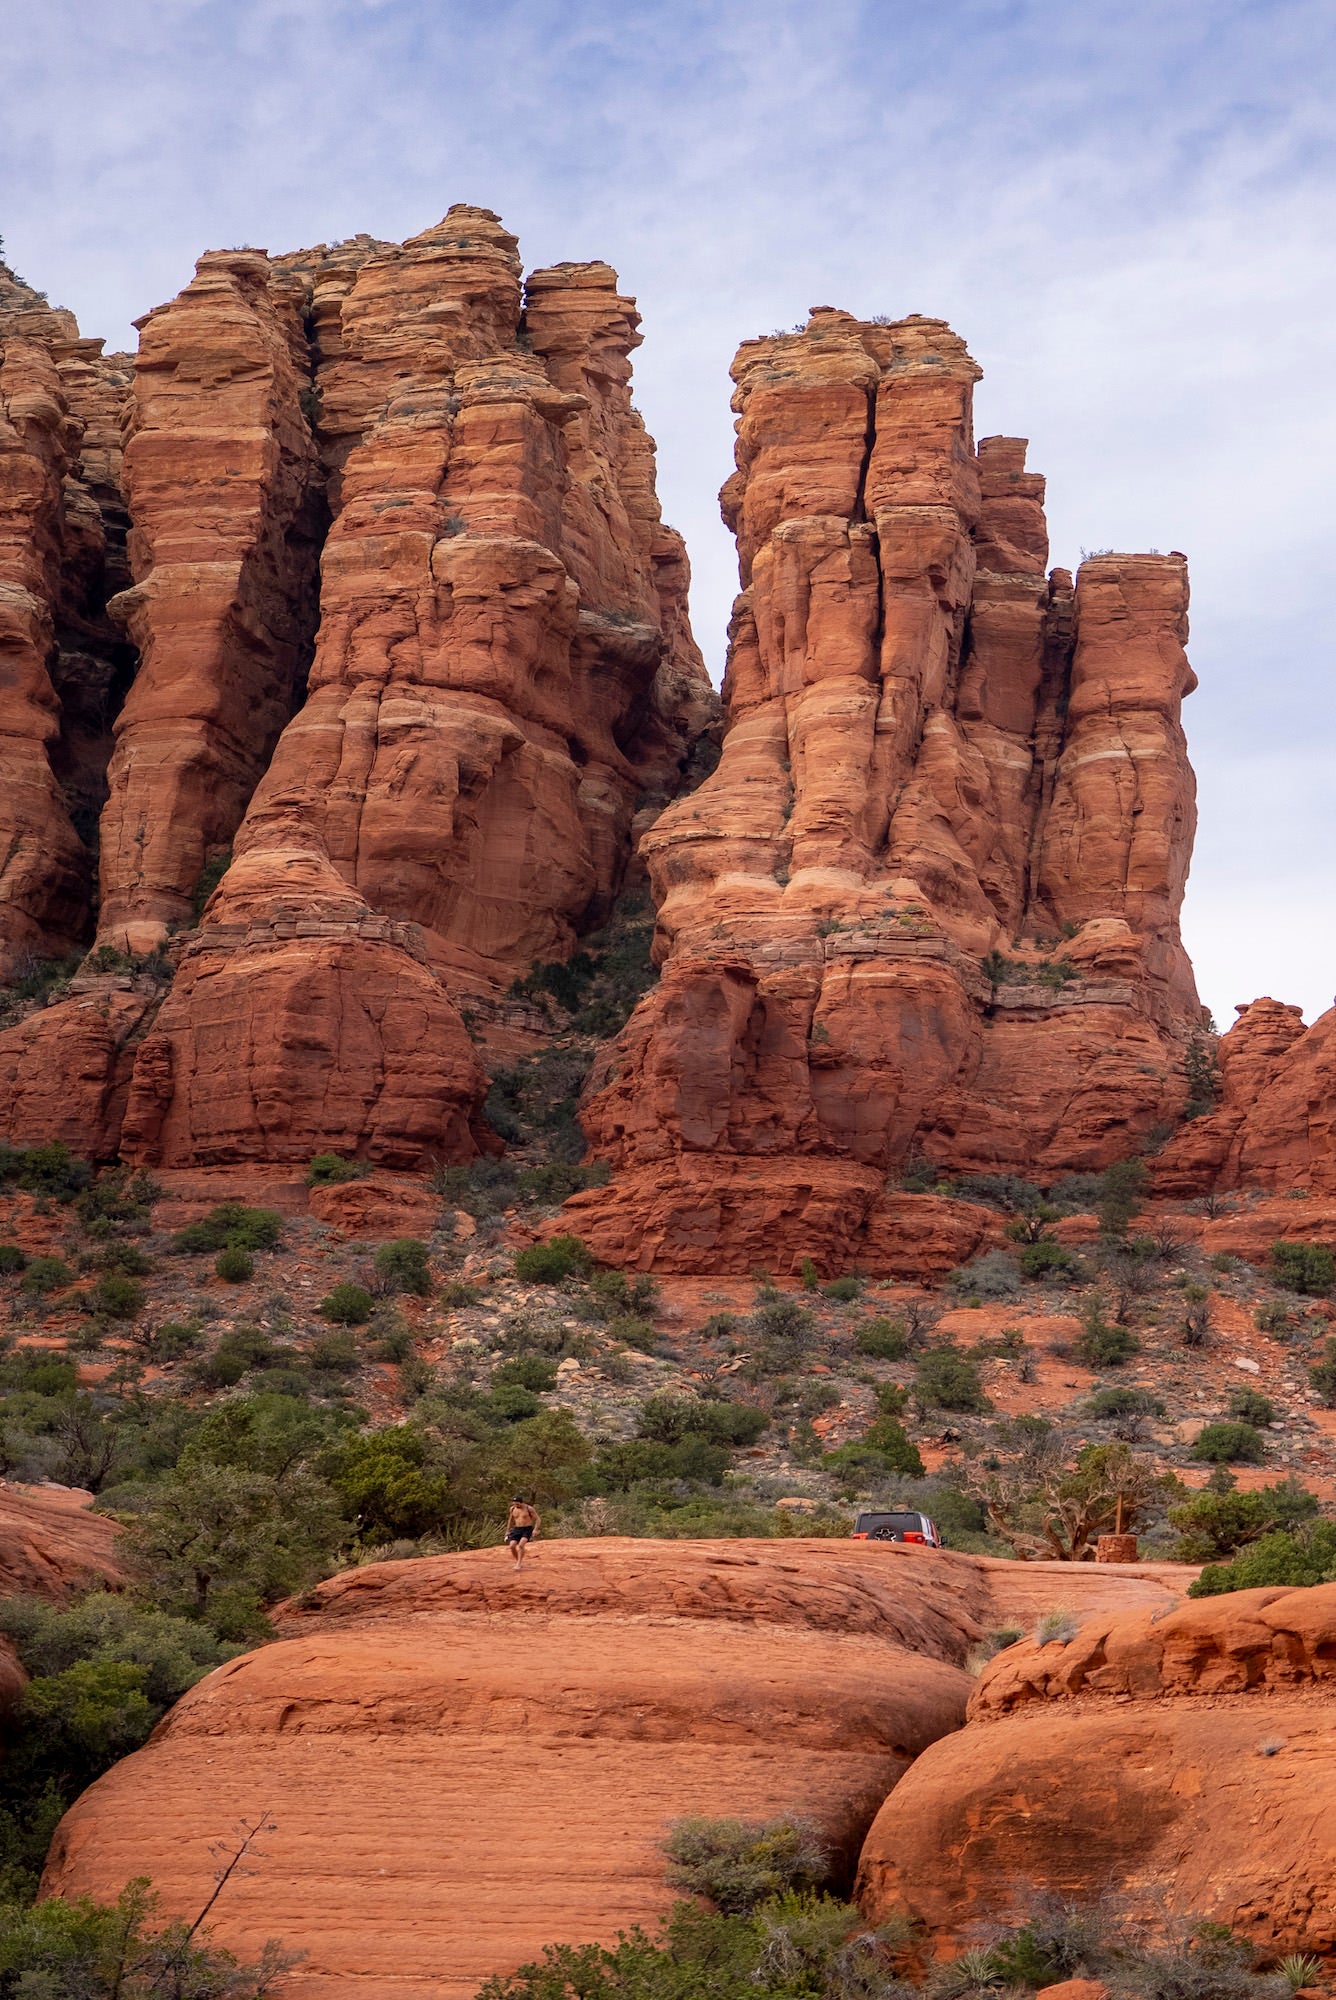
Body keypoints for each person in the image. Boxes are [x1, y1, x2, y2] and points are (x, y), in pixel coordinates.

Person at [504, 1495, 539, 1568]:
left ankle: (519, 1563)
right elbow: (510, 1520)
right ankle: (518, 1560)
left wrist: (535, 1529)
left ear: (521, 1503)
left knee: (521, 1545)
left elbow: (538, 1519)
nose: (516, 1505)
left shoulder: (529, 1509)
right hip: (517, 1529)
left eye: (517, 1504)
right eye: (514, 1504)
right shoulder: (513, 1509)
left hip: (527, 1529)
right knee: (512, 1546)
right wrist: (507, 1530)